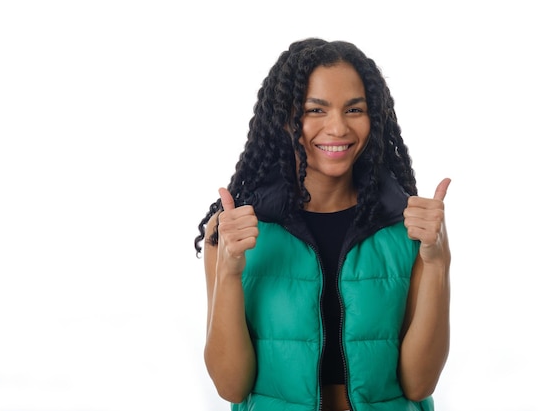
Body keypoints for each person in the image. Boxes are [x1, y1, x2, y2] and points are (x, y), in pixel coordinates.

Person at [193, 38, 451, 411]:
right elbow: (232, 387)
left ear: (373, 117)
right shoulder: (234, 231)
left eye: (354, 109)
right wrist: (229, 273)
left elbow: (418, 384)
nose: (338, 127)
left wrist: (437, 264)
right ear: (285, 117)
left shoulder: (411, 229)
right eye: (316, 109)